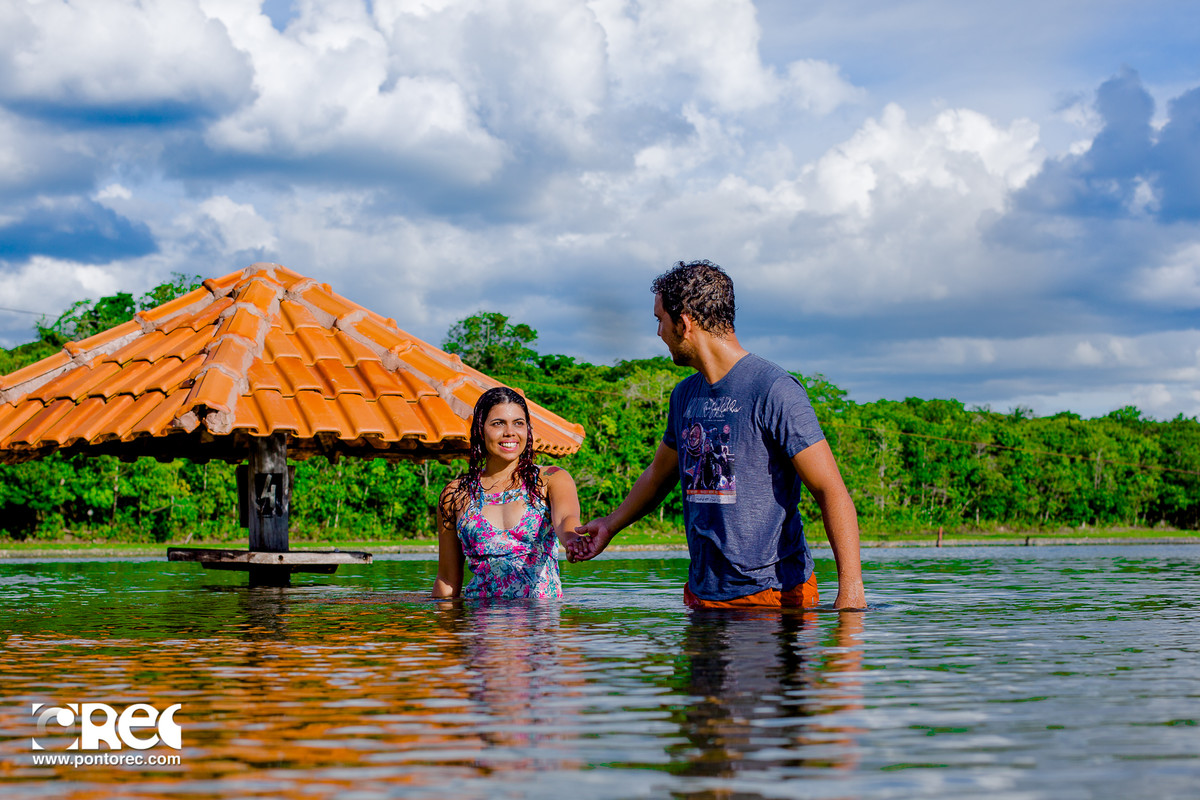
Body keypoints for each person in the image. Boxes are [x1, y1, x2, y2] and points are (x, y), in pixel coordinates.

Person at [567, 260, 866, 610]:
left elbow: (830, 489)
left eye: (659, 320)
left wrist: (851, 593)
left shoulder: (773, 389)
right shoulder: (684, 395)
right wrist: (611, 525)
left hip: (772, 595)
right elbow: (658, 476)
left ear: (685, 323)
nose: (659, 333)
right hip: (703, 594)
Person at [433, 387, 582, 599]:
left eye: (518, 423)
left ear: (528, 430)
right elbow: (447, 579)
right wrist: (442, 630)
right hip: (481, 628)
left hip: (540, 627)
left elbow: (566, 519)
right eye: (498, 423)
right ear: (479, 430)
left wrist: (572, 540)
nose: (510, 432)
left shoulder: (551, 479)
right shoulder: (456, 494)